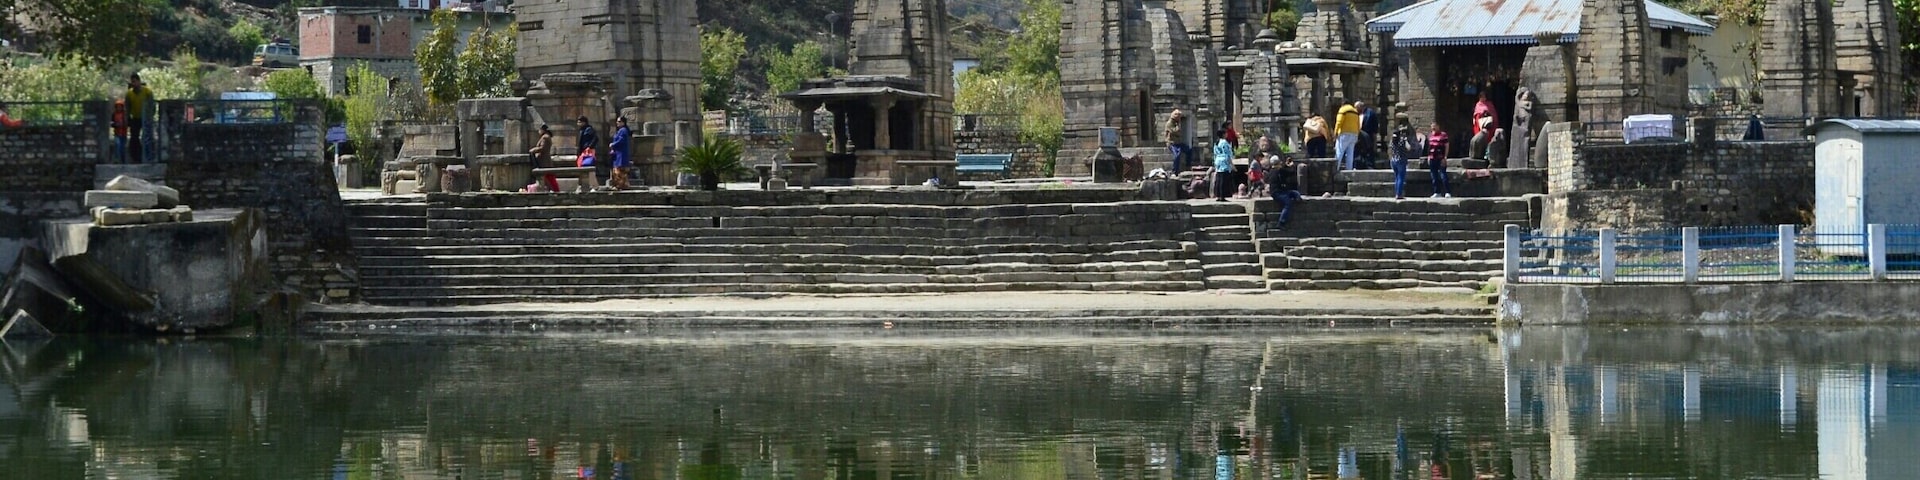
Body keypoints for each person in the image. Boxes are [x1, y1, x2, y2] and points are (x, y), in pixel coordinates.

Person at [1388, 119, 1423, 200]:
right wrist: (1406, 140)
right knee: (1401, 177)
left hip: (1393, 160)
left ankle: (1396, 193)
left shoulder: (1393, 142)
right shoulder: (1402, 140)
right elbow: (1409, 148)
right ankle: (1399, 194)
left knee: (1396, 177)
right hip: (1401, 160)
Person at [1266, 154, 1303, 227]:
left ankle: (1298, 200)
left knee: (1295, 193)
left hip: (1282, 191)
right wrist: (1292, 166)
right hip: (1277, 193)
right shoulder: (1279, 171)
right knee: (1288, 203)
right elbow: (1290, 172)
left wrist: (1286, 166)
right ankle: (1281, 222)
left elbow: (1284, 171)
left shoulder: (1272, 171)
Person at [125, 74, 153, 163]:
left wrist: (150, 116)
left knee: (147, 137)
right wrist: (127, 118)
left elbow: (152, 105)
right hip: (135, 118)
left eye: (135, 81)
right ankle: (136, 158)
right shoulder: (129, 93)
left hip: (145, 118)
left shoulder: (147, 92)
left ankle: (149, 157)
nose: (133, 84)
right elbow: (127, 107)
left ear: (139, 81)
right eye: (132, 82)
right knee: (134, 138)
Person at [1425, 122, 1452, 198]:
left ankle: (1447, 192)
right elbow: (1429, 147)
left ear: (1438, 126)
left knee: (1443, 175)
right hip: (1432, 158)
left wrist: (1445, 157)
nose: (1433, 128)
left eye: (1434, 126)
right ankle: (1437, 192)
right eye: (1432, 127)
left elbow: (1447, 146)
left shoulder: (1443, 135)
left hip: (1440, 158)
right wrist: (1428, 157)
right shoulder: (1430, 136)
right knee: (1434, 176)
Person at [529, 124, 558, 193]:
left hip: (544, 161)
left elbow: (542, 148)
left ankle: (555, 190)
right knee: (549, 177)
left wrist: (533, 150)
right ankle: (553, 189)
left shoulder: (545, 137)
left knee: (549, 176)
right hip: (545, 160)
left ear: (542, 130)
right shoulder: (546, 137)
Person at [1333, 102, 1361, 170]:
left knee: (1339, 151)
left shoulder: (1343, 110)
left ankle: (1335, 168)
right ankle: (1349, 169)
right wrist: (1357, 134)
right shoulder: (1355, 112)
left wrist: (1335, 132)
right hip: (1354, 134)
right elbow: (1358, 124)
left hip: (1344, 133)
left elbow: (1339, 122)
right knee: (1350, 153)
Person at [1470, 91, 1497, 159]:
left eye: (1484, 97)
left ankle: (1488, 154)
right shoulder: (1478, 105)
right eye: (1482, 97)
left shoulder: (1489, 104)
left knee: (1489, 139)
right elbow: (1476, 115)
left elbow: (1494, 114)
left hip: (1489, 126)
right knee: (1480, 138)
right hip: (1480, 125)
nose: (1483, 98)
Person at [608, 116, 632, 190]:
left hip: (621, 154)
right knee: (620, 171)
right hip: (618, 153)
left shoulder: (623, 130)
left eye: (619, 121)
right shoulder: (621, 130)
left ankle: (619, 185)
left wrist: (613, 144)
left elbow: (621, 140)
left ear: (623, 122)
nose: (617, 123)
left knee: (619, 171)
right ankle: (623, 185)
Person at [1211, 129, 1234, 202]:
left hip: (1218, 160)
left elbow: (1215, 153)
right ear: (1223, 134)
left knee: (1218, 179)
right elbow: (1227, 153)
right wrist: (1231, 164)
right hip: (1224, 161)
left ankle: (1218, 195)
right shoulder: (1224, 142)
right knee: (1223, 180)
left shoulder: (1216, 143)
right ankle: (1222, 196)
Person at [1356, 101, 1379, 169]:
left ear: (1360, 107)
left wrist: (1374, 134)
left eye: (1356, 108)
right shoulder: (1358, 114)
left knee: (1369, 150)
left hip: (1369, 134)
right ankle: (1361, 164)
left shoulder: (1370, 113)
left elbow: (1375, 125)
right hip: (1360, 135)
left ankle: (1370, 165)